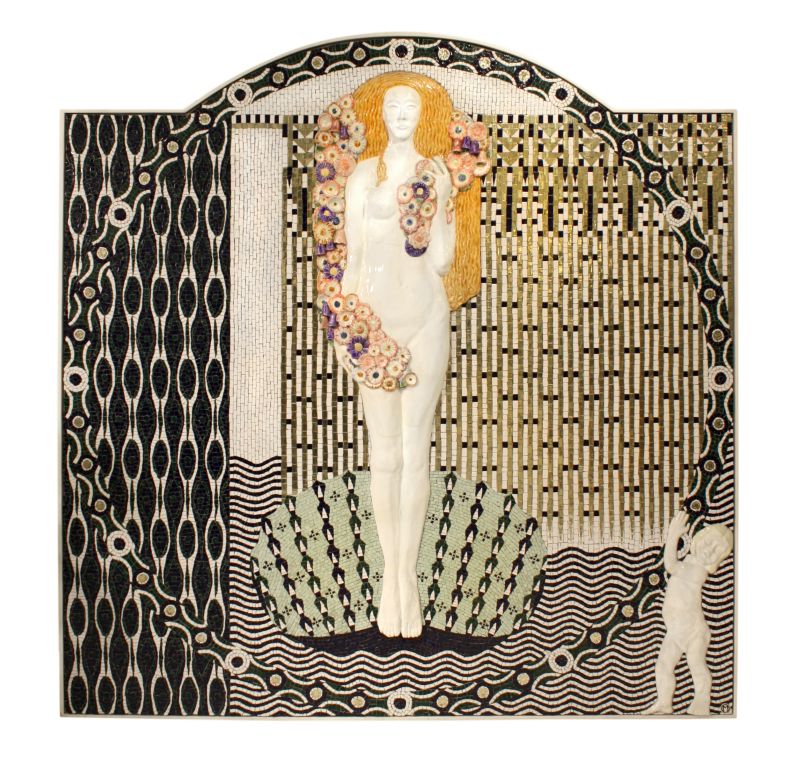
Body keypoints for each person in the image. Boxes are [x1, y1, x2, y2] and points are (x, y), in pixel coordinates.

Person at [334, 73, 480, 638]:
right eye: (392, 105)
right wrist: (343, 333)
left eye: (409, 106)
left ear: (422, 116)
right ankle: (388, 580)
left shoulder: (434, 173)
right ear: (380, 113)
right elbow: (350, 262)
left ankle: (406, 582)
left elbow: (441, 260)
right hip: (373, 324)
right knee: (385, 454)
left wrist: (442, 204)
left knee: (416, 452)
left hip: (425, 317)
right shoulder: (360, 177)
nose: (399, 113)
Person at [644, 509, 733, 715]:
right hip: (677, 630)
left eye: (716, 551)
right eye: (709, 542)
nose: (709, 550)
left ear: (718, 560)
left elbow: (671, 565)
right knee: (663, 665)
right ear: (699, 538)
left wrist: (673, 535)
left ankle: (702, 701)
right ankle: (665, 702)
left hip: (693, 630)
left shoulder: (698, 571)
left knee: (697, 665)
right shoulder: (690, 563)